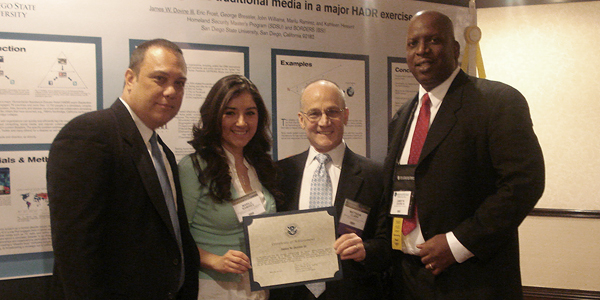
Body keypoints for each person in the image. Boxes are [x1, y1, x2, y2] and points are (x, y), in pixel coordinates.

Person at [381, 10, 545, 299]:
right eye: (413, 43)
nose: (422, 51)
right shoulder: (403, 116)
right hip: (407, 279)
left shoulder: (497, 102)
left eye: (433, 40)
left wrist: (458, 244)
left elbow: (523, 184)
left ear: (455, 49)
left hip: (471, 279)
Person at [47, 39, 200, 299]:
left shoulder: (162, 151)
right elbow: (76, 254)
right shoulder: (90, 135)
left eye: (180, 83)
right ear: (130, 78)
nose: (172, 91)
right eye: (160, 78)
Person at [269, 80, 388, 300]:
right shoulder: (280, 175)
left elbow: (388, 243)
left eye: (332, 111)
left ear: (346, 115)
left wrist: (365, 250)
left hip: (352, 292)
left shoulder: (375, 175)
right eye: (314, 114)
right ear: (301, 120)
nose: (324, 122)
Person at [178, 74, 279, 300]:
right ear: (215, 116)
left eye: (250, 113)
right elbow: (175, 237)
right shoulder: (193, 168)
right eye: (230, 112)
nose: (241, 122)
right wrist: (214, 260)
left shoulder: (260, 166)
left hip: (257, 288)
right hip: (212, 288)